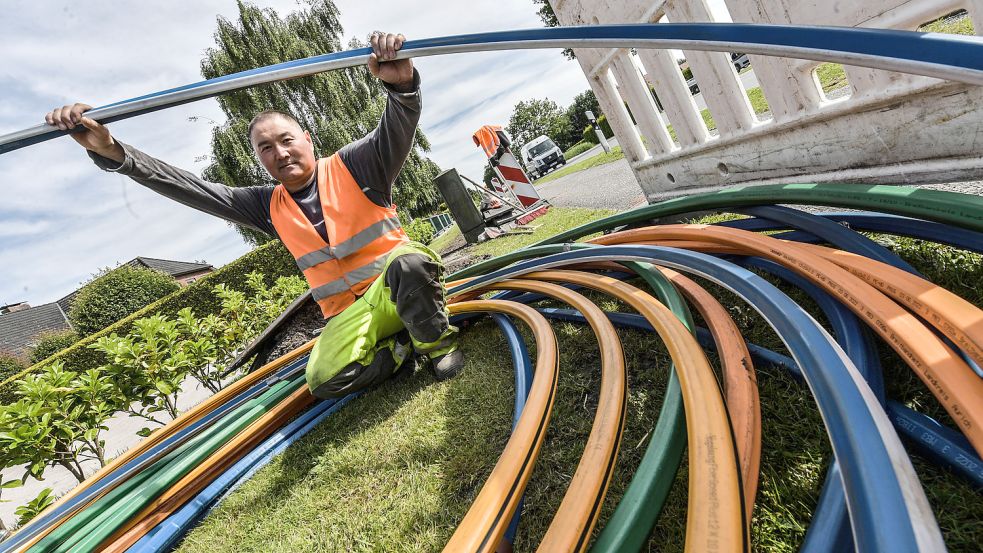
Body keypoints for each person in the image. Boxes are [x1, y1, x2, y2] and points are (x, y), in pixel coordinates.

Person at [45, 31, 464, 399]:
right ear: (259, 159)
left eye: (286, 140)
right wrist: (111, 151)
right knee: (323, 381)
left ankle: (437, 347)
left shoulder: (357, 165)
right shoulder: (266, 205)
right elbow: (189, 187)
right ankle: (400, 349)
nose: (280, 153)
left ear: (307, 138)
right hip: (352, 316)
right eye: (266, 148)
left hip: (400, 286)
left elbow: (398, 125)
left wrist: (403, 86)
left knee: (410, 261)